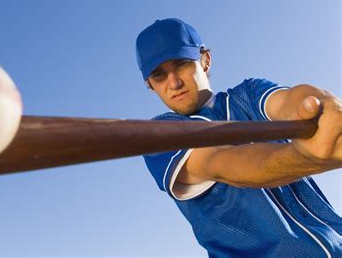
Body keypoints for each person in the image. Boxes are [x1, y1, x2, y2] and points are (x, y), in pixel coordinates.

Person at [135, 18, 342, 257]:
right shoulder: (159, 136)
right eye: (159, 75)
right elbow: (224, 162)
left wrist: (325, 109)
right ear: (150, 85)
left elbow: (292, 100)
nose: (174, 82)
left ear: (205, 60)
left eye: (181, 63)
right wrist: (308, 157)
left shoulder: (249, 94)